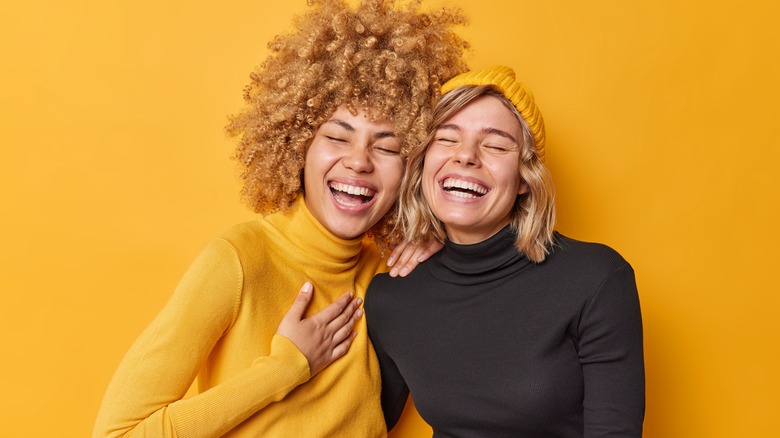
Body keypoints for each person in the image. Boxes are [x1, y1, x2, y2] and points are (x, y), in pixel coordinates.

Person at [92, 1, 468, 436]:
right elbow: (118, 432)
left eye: (386, 147)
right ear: (297, 145)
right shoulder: (237, 261)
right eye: (336, 137)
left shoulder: (389, 275)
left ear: (411, 167)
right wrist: (286, 367)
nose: (359, 162)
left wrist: (443, 253)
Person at [366, 66, 645, 437]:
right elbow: (359, 423)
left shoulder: (595, 279)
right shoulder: (392, 295)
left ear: (524, 180)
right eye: (447, 139)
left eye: (496, 145)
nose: (466, 156)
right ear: (422, 166)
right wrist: (289, 363)